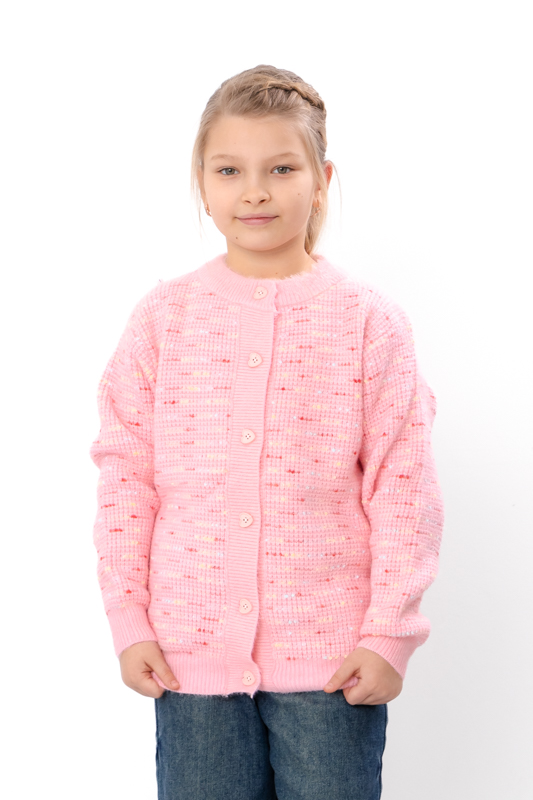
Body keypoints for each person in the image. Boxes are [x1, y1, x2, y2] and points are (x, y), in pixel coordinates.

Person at [89, 64, 445, 800]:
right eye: (229, 170)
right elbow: (125, 476)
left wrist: (389, 632)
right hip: (187, 657)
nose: (254, 190)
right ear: (202, 182)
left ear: (321, 181)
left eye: (281, 168)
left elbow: (403, 488)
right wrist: (129, 617)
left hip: (333, 664)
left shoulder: (368, 323)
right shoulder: (163, 320)